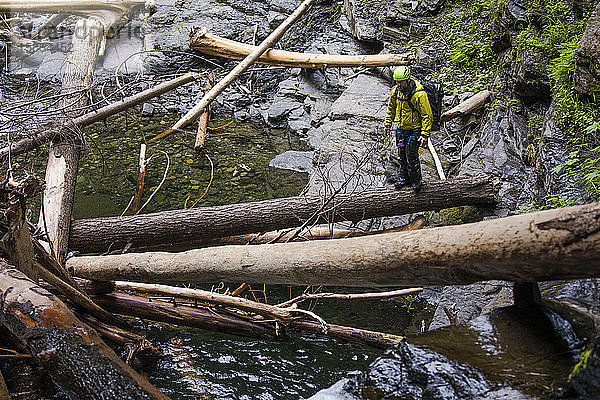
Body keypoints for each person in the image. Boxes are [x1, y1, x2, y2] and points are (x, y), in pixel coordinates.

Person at [383, 66, 433, 193]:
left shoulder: (419, 95)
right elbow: (391, 109)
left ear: (408, 80)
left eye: (401, 82)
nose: (398, 84)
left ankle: (416, 181)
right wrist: (388, 124)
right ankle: (403, 178)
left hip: (414, 131)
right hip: (400, 130)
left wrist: (425, 134)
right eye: (397, 81)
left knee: (411, 156)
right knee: (401, 155)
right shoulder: (395, 91)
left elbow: (427, 115)